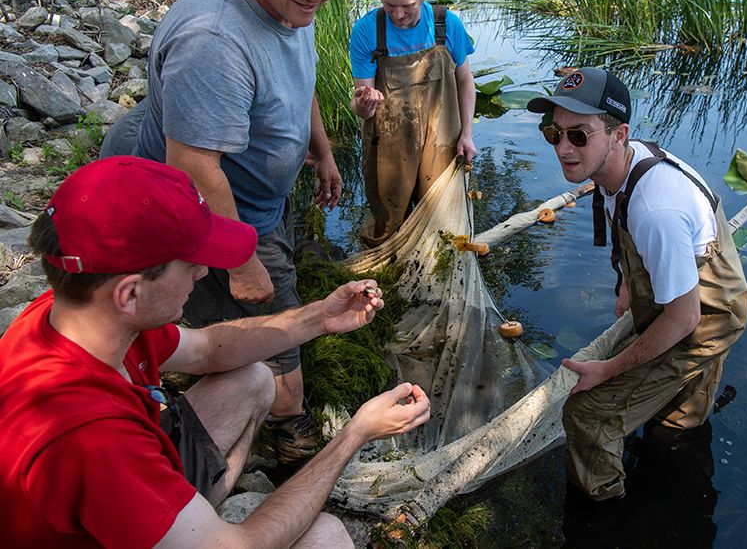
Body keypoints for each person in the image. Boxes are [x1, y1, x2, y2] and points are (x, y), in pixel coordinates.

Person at [0, 156, 430, 547]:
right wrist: (355, 434)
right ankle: (194, 528)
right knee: (326, 536)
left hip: (119, 500)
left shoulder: (79, 319)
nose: (205, 270)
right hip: (117, 499)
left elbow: (208, 350)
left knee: (254, 378)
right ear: (130, 292)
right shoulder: (91, 439)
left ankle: (188, 519)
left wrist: (318, 318)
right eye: (192, 263)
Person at [109, 0, 352, 462]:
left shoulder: (293, 4)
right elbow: (193, 167)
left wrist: (322, 151)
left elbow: (302, 77)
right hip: (216, 213)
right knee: (272, 324)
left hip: (259, 198)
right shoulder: (213, 38)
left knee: (254, 308)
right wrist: (241, 261)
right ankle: (288, 435)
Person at [526, 68, 747, 501]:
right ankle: (677, 478)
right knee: (673, 426)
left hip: (706, 313)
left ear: (618, 133)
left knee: (589, 415)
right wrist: (629, 283)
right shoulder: (624, 163)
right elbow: (622, 213)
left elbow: (685, 318)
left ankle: (602, 515)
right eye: (554, 132)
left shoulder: (655, 208)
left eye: (579, 135)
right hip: (691, 291)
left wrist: (608, 369)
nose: (563, 149)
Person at [348, 0, 477, 247]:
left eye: (407, 6)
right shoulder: (367, 31)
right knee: (389, 223)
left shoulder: (446, 25)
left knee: (443, 223)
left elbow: (464, 81)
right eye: (389, 5)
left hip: (441, 136)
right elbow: (361, 108)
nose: (398, 15)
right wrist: (364, 105)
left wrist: (467, 134)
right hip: (389, 142)